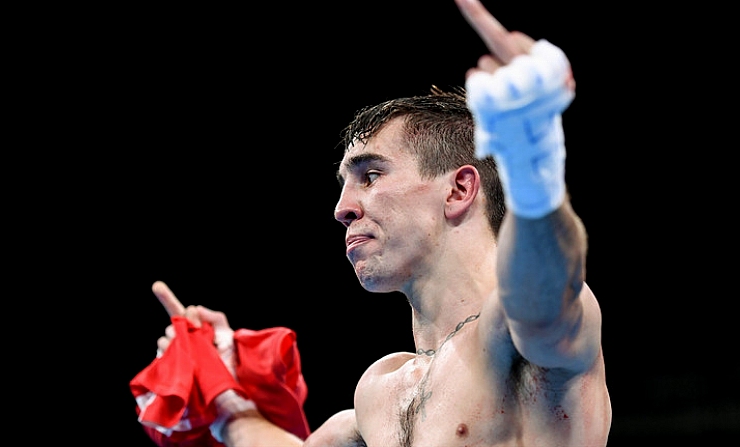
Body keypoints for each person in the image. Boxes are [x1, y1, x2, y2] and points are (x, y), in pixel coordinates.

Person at [133, 0, 612, 445]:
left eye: (371, 175)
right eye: (345, 183)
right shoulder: (380, 390)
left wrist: (534, 160)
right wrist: (224, 396)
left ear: (459, 190)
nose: (342, 207)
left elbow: (545, 292)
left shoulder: (525, 334)